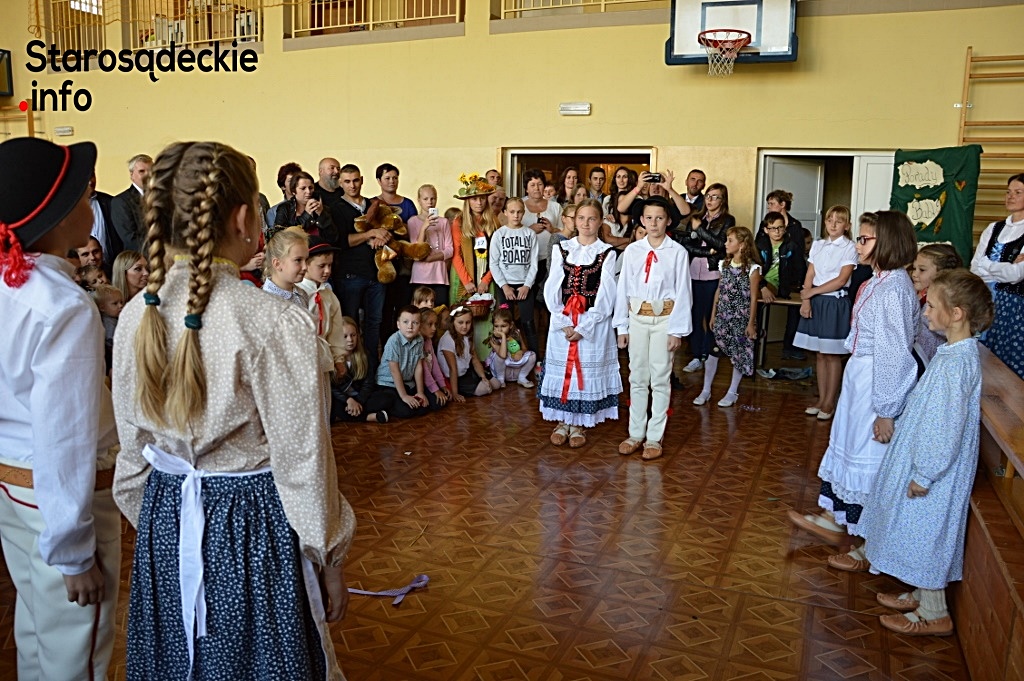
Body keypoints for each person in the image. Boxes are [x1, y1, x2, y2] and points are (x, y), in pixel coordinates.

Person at [111, 141, 354, 680]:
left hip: (167, 520)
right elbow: (302, 461)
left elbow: (132, 463)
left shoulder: (136, 316)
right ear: (245, 219)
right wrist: (328, 553)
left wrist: (163, 524)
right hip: (251, 530)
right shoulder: (272, 321)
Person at [0, 137, 121, 681]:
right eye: (79, 195)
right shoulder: (63, 305)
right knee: (76, 658)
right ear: (54, 215)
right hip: (60, 502)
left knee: (37, 635)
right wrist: (73, 552)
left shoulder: (12, 283)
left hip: (16, 490)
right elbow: (65, 436)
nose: (88, 201)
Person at [860, 269, 993, 637]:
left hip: (935, 471)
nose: (925, 312)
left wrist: (925, 472)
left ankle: (935, 613)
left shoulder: (957, 363)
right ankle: (922, 594)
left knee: (926, 533)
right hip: (926, 462)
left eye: (932, 306)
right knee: (915, 528)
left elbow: (945, 426)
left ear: (957, 313)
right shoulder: (954, 353)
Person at [788, 210, 919, 573]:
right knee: (849, 445)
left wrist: (886, 410)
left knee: (869, 454)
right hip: (862, 376)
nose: (858, 244)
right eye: (859, 238)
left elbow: (895, 353)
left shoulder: (893, 289)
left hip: (877, 381)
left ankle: (867, 545)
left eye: (864, 239)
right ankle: (836, 519)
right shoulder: (879, 281)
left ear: (886, 242)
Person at [614, 196, 692, 461]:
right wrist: (621, 326)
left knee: (660, 377)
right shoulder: (633, 251)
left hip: (665, 319)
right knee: (637, 377)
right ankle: (635, 433)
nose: (654, 223)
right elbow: (623, 288)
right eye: (649, 218)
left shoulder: (677, 252)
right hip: (637, 317)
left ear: (668, 221)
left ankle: (654, 437)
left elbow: (684, 292)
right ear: (641, 220)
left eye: (659, 218)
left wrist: (676, 331)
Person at [539, 199, 621, 448]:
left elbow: (607, 295)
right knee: (564, 369)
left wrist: (584, 327)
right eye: (581, 218)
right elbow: (552, 287)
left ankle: (578, 424)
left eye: (592, 218)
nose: (586, 223)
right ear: (574, 221)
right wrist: (563, 321)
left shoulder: (607, 253)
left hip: (592, 322)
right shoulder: (562, 248)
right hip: (563, 319)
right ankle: (562, 421)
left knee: (583, 371)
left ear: (600, 221)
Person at [793, 206, 857, 420]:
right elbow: (810, 273)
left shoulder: (849, 247)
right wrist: (806, 299)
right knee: (820, 354)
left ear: (847, 225)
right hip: (816, 301)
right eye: (830, 220)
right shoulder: (818, 245)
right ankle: (821, 399)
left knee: (832, 354)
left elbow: (841, 279)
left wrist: (811, 292)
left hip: (834, 302)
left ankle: (830, 402)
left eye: (839, 221)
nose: (833, 224)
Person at [693, 226, 761, 409]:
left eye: (730, 240)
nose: (725, 243)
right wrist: (713, 314)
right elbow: (719, 290)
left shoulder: (753, 269)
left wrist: (751, 323)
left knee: (738, 354)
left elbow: (754, 298)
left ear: (742, 244)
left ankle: (732, 392)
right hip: (723, 316)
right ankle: (706, 390)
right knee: (713, 352)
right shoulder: (724, 264)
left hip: (741, 318)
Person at [333, 164, 391, 368]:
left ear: (362, 180)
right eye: (347, 181)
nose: (352, 185)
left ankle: (372, 371)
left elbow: (388, 228)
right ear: (340, 183)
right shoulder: (336, 208)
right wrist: (370, 234)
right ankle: (353, 371)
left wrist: (383, 236)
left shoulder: (373, 205)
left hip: (377, 274)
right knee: (350, 325)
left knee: (374, 324)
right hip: (350, 275)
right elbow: (343, 241)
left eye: (356, 180)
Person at [970, 173, 1024, 379]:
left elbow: (1016, 275)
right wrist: (1003, 267)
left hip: (1015, 306)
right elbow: (975, 268)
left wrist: (988, 265)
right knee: (982, 356)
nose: (1011, 196)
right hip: (985, 300)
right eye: (1008, 192)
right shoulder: (993, 228)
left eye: (1018, 192)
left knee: (1011, 359)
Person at [679, 183, 735, 373]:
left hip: (713, 274)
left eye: (715, 197)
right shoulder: (696, 217)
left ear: (723, 200)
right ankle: (697, 356)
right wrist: (706, 251)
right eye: (708, 196)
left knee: (711, 317)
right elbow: (686, 244)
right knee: (695, 316)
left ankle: (708, 354)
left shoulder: (728, 220)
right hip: (693, 272)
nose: (710, 200)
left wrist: (701, 230)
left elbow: (721, 245)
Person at [450, 174, 500, 358]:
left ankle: (485, 359)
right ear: (467, 201)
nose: (479, 202)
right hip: (464, 276)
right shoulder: (459, 222)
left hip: (488, 275)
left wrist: (486, 280)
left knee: (486, 318)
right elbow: (456, 254)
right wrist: (467, 281)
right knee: (462, 317)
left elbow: (497, 255)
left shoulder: (494, 221)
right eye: (474, 198)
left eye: (482, 198)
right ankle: (463, 359)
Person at [297, 237, 345, 424]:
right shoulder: (297, 293)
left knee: (322, 404)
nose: (327, 271)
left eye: (330, 265)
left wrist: (338, 358)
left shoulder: (328, 295)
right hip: (303, 356)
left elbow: (336, 330)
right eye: (321, 266)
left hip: (322, 356)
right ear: (306, 265)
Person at [490, 196, 539, 354]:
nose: (516, 215)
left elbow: (534, 264)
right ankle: (509, 358)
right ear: (505, 212)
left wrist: (527, 285)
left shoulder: (530, 234)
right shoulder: (499, 235)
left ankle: (535, 358)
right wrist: (504, 286)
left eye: (519, 212)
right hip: (505, 285)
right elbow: (494, 263)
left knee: (528, 323)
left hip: (525, 285)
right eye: (512, 212)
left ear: (524, 213)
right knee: (505, 323)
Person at [363, 305, 431, 419]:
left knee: (425, 405)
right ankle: (376, 412)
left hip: (406, 383)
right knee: (406, 410)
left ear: (420, 325)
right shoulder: (394, 341)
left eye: (415, 323)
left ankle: (396, 404)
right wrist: (404, 396)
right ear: (398, 324)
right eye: (405, 322)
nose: (410, 326)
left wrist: (420, 392)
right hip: (387, 383)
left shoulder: (419, 339)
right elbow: (395, 371)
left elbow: (419, 367)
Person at [765, 189, 807, 360]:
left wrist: (799, 282)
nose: (769, 207)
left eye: (772, 204)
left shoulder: (796, 226)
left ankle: (790, 347)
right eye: (768, 204)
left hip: (790, 277)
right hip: (769, 276)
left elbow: (798, 255)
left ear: (782, 205)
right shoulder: (765, 223)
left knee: (794, 311)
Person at [910, 243, 962, 371]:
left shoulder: (944, 301)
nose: (914, 274)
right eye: (914, 268)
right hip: (918, 355)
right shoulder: (921, 293)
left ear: (942, 274)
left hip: (930, 360)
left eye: (922, 270)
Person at [330, 317, 387, 423]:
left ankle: (343, 416)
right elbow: (331, 387)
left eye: (353, 335)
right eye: (345, 336)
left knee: (386, 398)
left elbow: (368, 384)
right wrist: (348, 400)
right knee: (331, 404)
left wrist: (357, 402)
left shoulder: (365, 355)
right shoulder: (331, 359)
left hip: (359, 397)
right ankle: (368, 417)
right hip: (342, 399)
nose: (350, 340)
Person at [439, 304, 500, 399]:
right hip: (457, 377)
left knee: (496, 384)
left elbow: (475, 360)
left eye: (468, 322)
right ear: (453, 322)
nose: (464, 326)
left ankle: (480, 380)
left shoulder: (467, 336)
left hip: (467, 370)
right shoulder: (447, 339)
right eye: (460, 322)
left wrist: (483, 377)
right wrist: (455, 393)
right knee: (486, 389)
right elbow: (452, 369)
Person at [408, 184, 453, 306]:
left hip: (439, 276)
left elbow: (450, 250)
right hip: (420, 276)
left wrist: (431, 258)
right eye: (425, 199)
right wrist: (424, 228)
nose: (430, 202)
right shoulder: (412, 221)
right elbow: (416, 251)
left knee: (441, 310)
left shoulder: (443, 222)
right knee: (420, 311)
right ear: (419, 200)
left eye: (433, 198)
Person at [756, 211, 806, 307]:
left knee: (750, 292)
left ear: (785, 228)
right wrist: (763, 286)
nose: (777, 231)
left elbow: (800, 269)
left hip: (778, 285)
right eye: (772, 228)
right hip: (759, 281)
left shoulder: (792, 246)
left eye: (780, 227)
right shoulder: (760, 245)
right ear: (766, 230)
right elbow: (753, 269)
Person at [270, 171, 338, 243]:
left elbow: (334, 238)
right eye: (303, 188)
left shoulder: (323, 208)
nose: (308, 191)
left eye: (310, 188)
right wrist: (306, 215)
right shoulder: (284, 208)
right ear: (294, 191)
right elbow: (280, 237)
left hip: (320, 248)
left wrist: (322, 215)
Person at [486, 305, 538, 388]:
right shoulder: (493, 339)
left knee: (532, 355)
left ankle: (522, 377)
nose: (499, 330)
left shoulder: (516, 333)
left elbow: (524, 348)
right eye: (496, 326)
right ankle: (501, 380)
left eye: (503, 326)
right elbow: (502, 355)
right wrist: (503, 336)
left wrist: (520, 352)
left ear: (510, 325)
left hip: (516, 369)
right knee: (498, 356)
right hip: (503, 371)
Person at [110, 153, 152, 252]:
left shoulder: (162, 197)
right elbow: (130, 239)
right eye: (142, 171)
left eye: (151, 171)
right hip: (140, 257)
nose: (148, 175)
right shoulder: (121, 201)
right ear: (132, 175)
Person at [262, 226, 309, 306]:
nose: (305, 267)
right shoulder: (268, 301)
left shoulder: (302, 294)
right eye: (298, 260)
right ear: (277, 264)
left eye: (306, 260)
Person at [419, 307, 452, 407]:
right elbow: (424, 370)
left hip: (428, 381)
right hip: (420, 383)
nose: (434, 328)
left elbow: (435, 365)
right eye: (430, 324)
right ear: (420, 325)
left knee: (444, 398)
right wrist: (436, 390)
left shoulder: (428, 341)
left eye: (435, 324)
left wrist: (443, 385)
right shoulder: (418, 343)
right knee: (437, 403)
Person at [93, 282, 124, 372]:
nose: (120, 306)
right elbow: (114, 342)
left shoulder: (113, 319)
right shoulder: (109, 323)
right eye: (115, 303)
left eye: (121, 302)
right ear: (102, 308)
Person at [265, 161, 302, 232]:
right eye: (291, 181)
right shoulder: (273, 211)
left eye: (297, 180)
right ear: (283, 186)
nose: (295, 183)